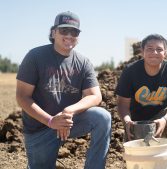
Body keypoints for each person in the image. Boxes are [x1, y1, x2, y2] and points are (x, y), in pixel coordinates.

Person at [16, 11, 111, 169]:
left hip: (70, 122)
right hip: (41, 128)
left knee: (102, 117)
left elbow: (95, 96)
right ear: (53, 32)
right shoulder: (35, 57)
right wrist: (51, 121)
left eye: (74, 32)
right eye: (64, 30)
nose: (69, 35)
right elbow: (22, 97)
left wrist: (69, 111)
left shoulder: (83, 62)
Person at [116, 34, 167, 165]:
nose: (154, 52)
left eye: (159, 49)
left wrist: (165, 120)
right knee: (142, 163)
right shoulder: (130, 71)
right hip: (137, 124)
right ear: (142, 51)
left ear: (165, 52)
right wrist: (127, 121)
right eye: (149, 48)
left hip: (162, 119)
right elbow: (122, 104)